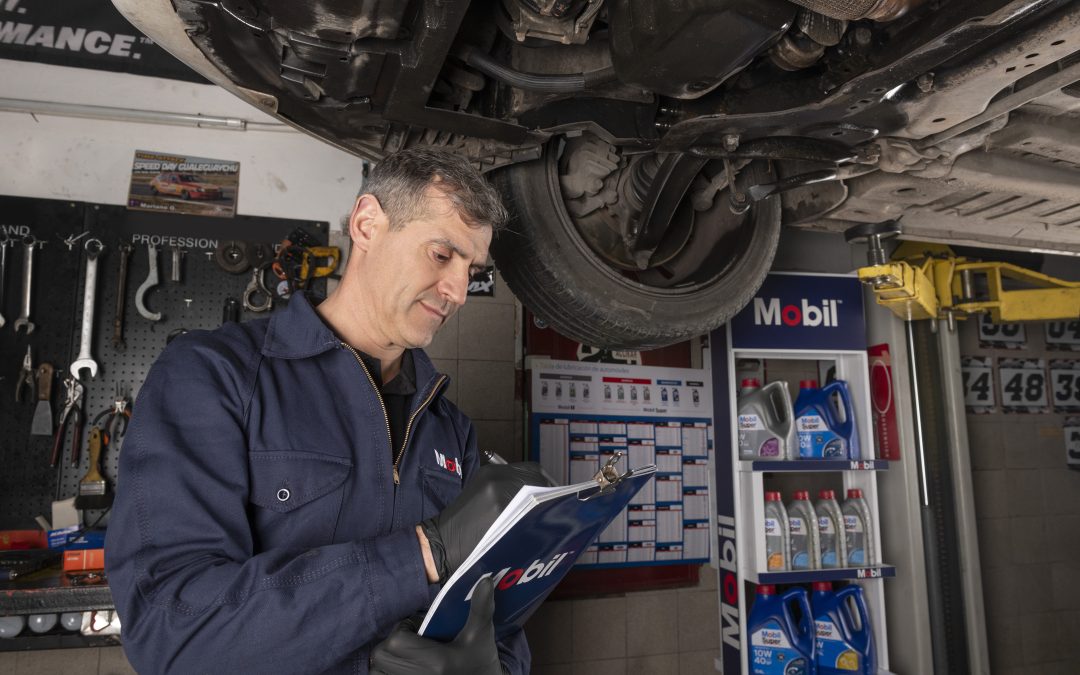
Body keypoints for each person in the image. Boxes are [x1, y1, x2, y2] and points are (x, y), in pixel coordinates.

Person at [106, 148, 545, 674]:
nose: (458, 291)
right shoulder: (212, 376)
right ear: (366, 224)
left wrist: (492, 668)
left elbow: (500, 618)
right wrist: (422, 554)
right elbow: (172, 633)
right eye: (442, 255)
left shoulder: (451, 431)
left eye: (472, 270)